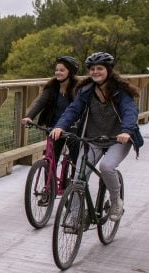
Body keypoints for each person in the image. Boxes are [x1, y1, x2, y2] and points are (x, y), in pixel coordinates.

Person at [50, 52, 143, 223]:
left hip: (118, 139)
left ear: (108, 70)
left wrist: (127, 131)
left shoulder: (120, 91)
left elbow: (130, 111)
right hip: (92, 139)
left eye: (99, 68)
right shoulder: (86, 91)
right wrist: (60, 126)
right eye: (92, 69)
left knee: (107, 167)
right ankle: (75, 214)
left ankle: (116, 202)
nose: (95, 72)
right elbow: (72, 109)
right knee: (78, 177)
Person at [21, 55, 82, 183]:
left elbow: (79, 108)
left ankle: (75, 183)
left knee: (76, 157)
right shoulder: (52, 87)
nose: (58, 73)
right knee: (50, 158)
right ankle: (49, 189)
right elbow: (40, 102)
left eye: (62, 70)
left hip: (73, 128)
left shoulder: (79, 89)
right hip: (54, 128)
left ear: (70, 72)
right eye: (57, 70)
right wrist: (29, 116)